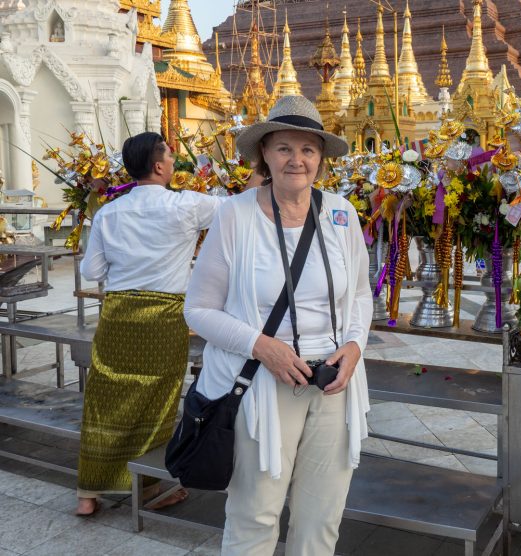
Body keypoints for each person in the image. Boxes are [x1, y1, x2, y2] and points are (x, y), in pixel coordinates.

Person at [184, 95, 372, 555]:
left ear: (321, 158)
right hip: (262, 385)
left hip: (332, 382)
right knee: (256, 515)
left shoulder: (341, 213)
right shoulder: (235, 215)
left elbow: (360, 294)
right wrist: (261, 345)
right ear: (264, 153)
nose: (296, 160)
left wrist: (354, 344)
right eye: (285, 148)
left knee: (321, 517)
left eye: (308, 149)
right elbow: (199, 309)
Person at [76, 132, 222, 516]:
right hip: (162, 319)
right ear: (158, 166)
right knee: (157, 404)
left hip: (118, 316)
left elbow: (91, 271)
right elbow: (239, 208)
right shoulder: (186, 205)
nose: (174, 162)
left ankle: (88, 493)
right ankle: (150, 490)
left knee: (104, 399)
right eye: (170, 157)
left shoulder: (108, 212)